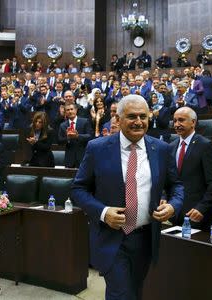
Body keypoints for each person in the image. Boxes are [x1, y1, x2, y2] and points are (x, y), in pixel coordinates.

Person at [72, 94, 183, 300]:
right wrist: (104, 213)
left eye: (143, 116)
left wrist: (173, 206)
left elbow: (176, 185)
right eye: (132, 116)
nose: (138, 122)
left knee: (136, 291)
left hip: (145, 237)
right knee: (120, 293)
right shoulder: (97, 148)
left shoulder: (161, 149)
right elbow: (78, 189)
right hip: (111, 238)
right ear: (118, 118)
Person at [170, 107, 212, 230]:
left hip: (196, 213)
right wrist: (164, 198)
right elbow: (169, 179)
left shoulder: (205, 145)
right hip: (174, 212)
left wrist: (202, 208)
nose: (177, 124)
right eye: (175, 121)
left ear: (193, 122)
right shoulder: (171, 146)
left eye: (181, 120)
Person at [58, 103, 93, 168]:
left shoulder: (85, 121)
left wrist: (78, 136)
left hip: (83, 156)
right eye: (68, 110)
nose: (70, 111)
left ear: (76, 110)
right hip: (69, 158)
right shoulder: (62, 125)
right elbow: (59, 141)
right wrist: (68, 138)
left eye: (72, 109)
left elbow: (90, 136)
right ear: (65, 112)